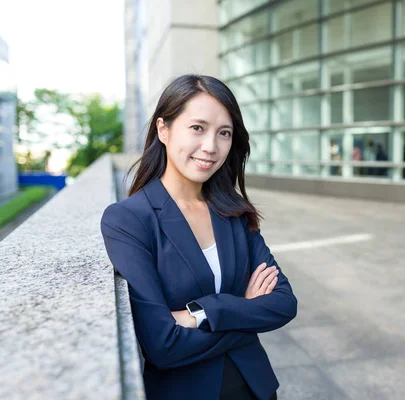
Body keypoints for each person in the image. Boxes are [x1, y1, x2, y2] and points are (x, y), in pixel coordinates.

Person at [100, 74, 297, 400]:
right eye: (197, 128)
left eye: (224, 133)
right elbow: (162, 345)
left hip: (255, 388)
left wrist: (201, 313)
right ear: (163, 130)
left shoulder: (233, 211)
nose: (211, 146)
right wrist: (246, 309)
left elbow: (283, 303)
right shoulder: (130, 219)